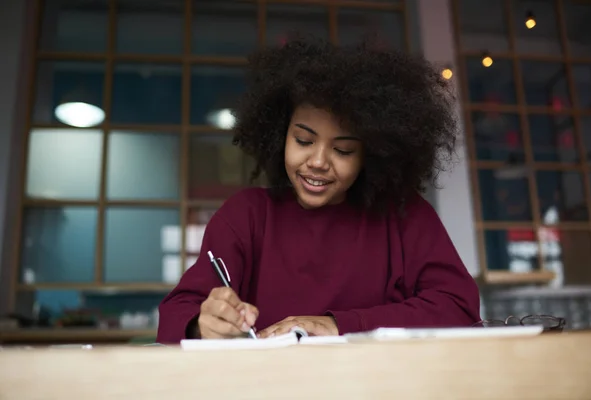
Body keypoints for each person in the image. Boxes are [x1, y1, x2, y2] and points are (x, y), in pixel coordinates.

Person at [156, 36, 481, 343]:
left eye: (342, 150)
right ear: (280, 134)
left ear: (373, 153)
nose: (318, 162)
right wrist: (202, 324)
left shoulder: (404, 215)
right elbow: (175, 316)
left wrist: (339, 326)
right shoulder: (246, 216)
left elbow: (459, 308)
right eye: (303, 141)